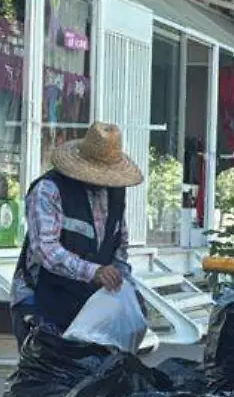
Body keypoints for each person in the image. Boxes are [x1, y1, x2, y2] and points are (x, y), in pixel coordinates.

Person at [10, 122, 144, 346]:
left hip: (89, 306)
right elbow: (45, 250)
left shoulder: (115, 195)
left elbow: (119, 251)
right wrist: (94, 271)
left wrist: (129, 290)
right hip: (43, 301)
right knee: (49, 375)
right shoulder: (48, 190)